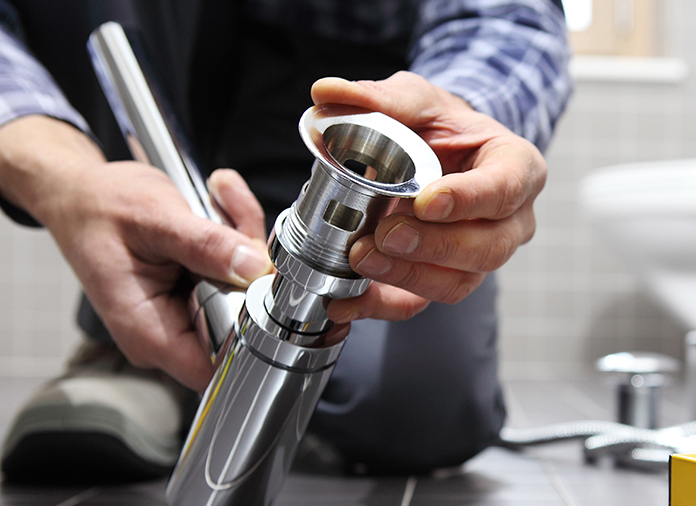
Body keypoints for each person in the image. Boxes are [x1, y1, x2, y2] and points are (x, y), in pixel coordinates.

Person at [0, 0, 571, 481]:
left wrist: (458, 122)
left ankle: (209, 350)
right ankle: (134, 343)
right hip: (167, 83)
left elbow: (504, 17)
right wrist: (61, 178)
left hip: (341, 92)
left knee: (418, 405)